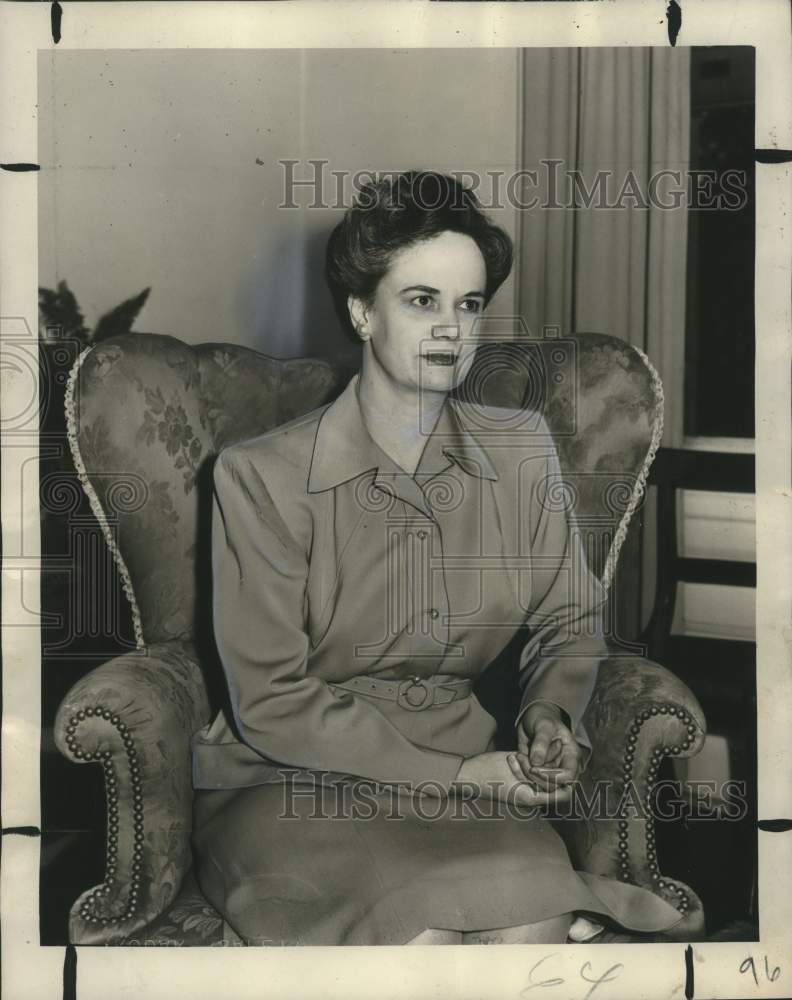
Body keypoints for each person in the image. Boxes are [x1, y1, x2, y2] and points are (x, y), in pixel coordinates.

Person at [190, 170, 684, 946]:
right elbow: (272, 700)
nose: (451, 328)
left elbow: (568, 616)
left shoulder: (521, 448)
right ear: (361, 311)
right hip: (288, 781)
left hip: (468, 773)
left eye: (469, 304)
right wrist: (457, 779)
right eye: (422, 301)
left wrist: (548, 712)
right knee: (421, 947)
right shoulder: (261, 476)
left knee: (533, 928)